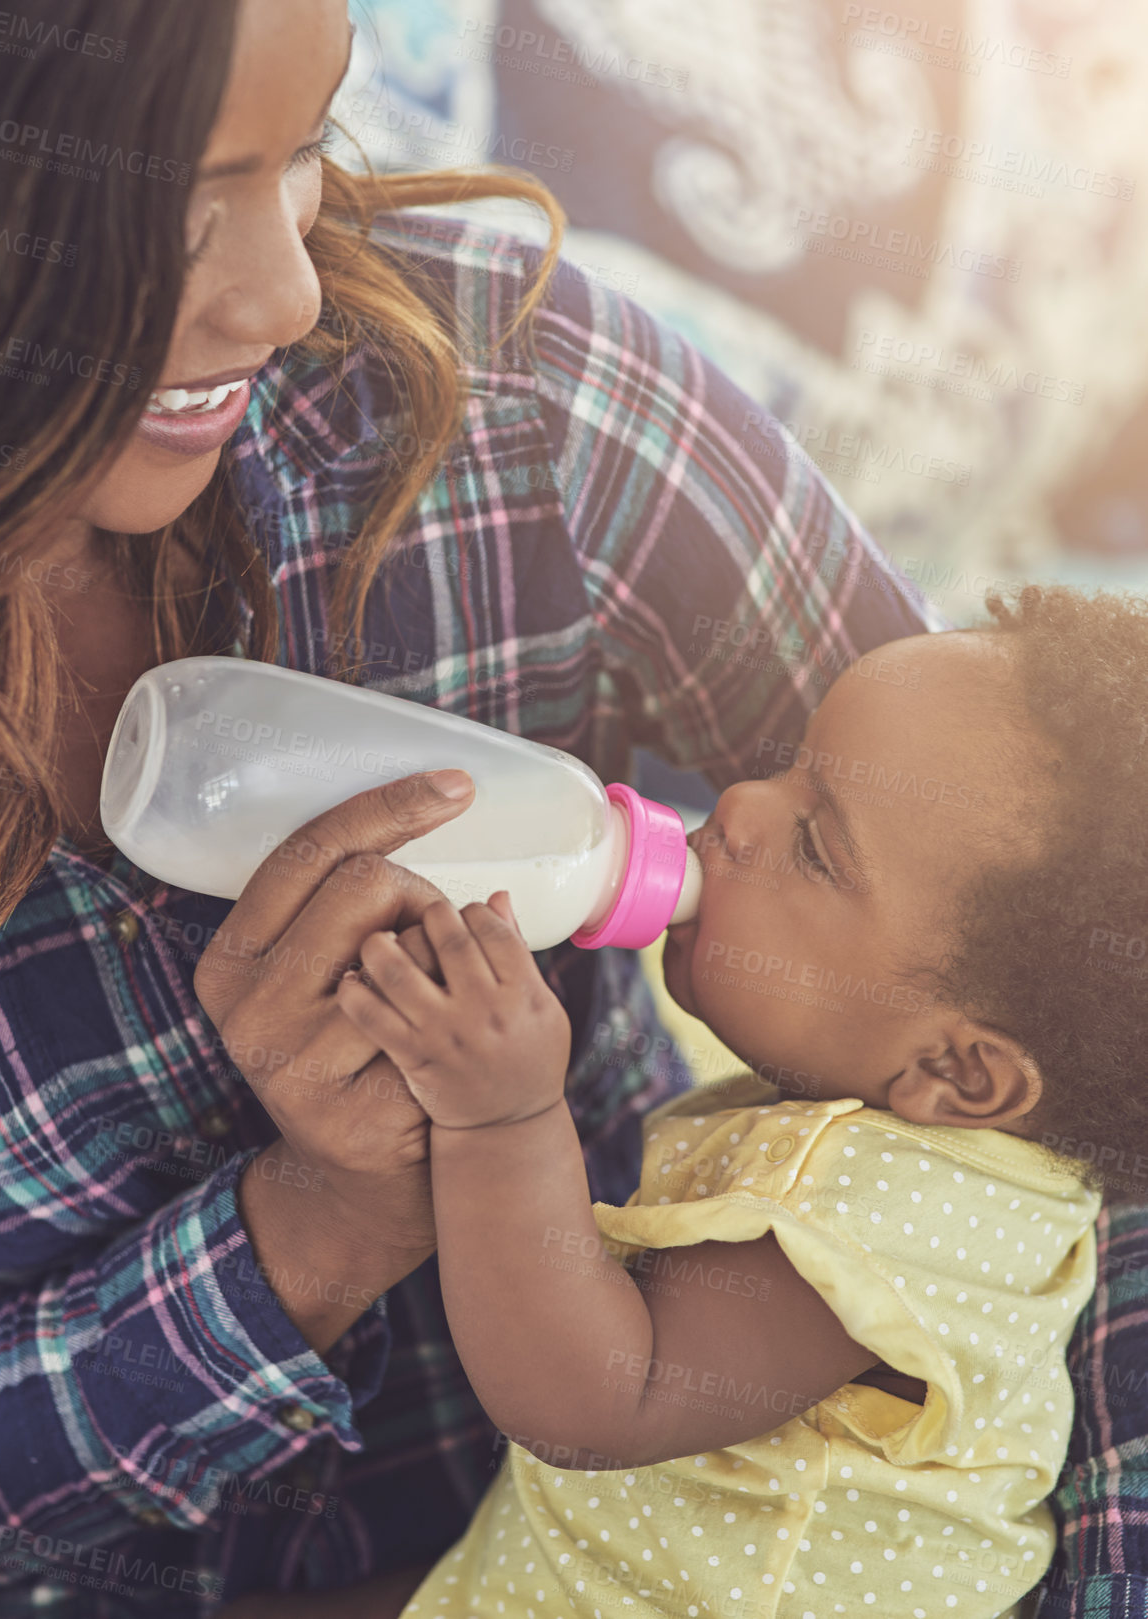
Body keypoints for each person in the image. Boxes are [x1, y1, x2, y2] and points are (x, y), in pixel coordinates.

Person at [0, 0, 937, 1614]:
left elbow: (1064, 964)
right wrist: (307, 1237)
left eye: (300, 144)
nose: (283, 296)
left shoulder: (503, 400)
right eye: (181, 202)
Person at [329, 585, 1146, 1619]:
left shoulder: (877, 1219)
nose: (744, 807)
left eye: (817, 846)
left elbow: (590, 1399)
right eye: (790, 765)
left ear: (963, 1074)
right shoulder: (989, 1169)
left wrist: (501, 1120)